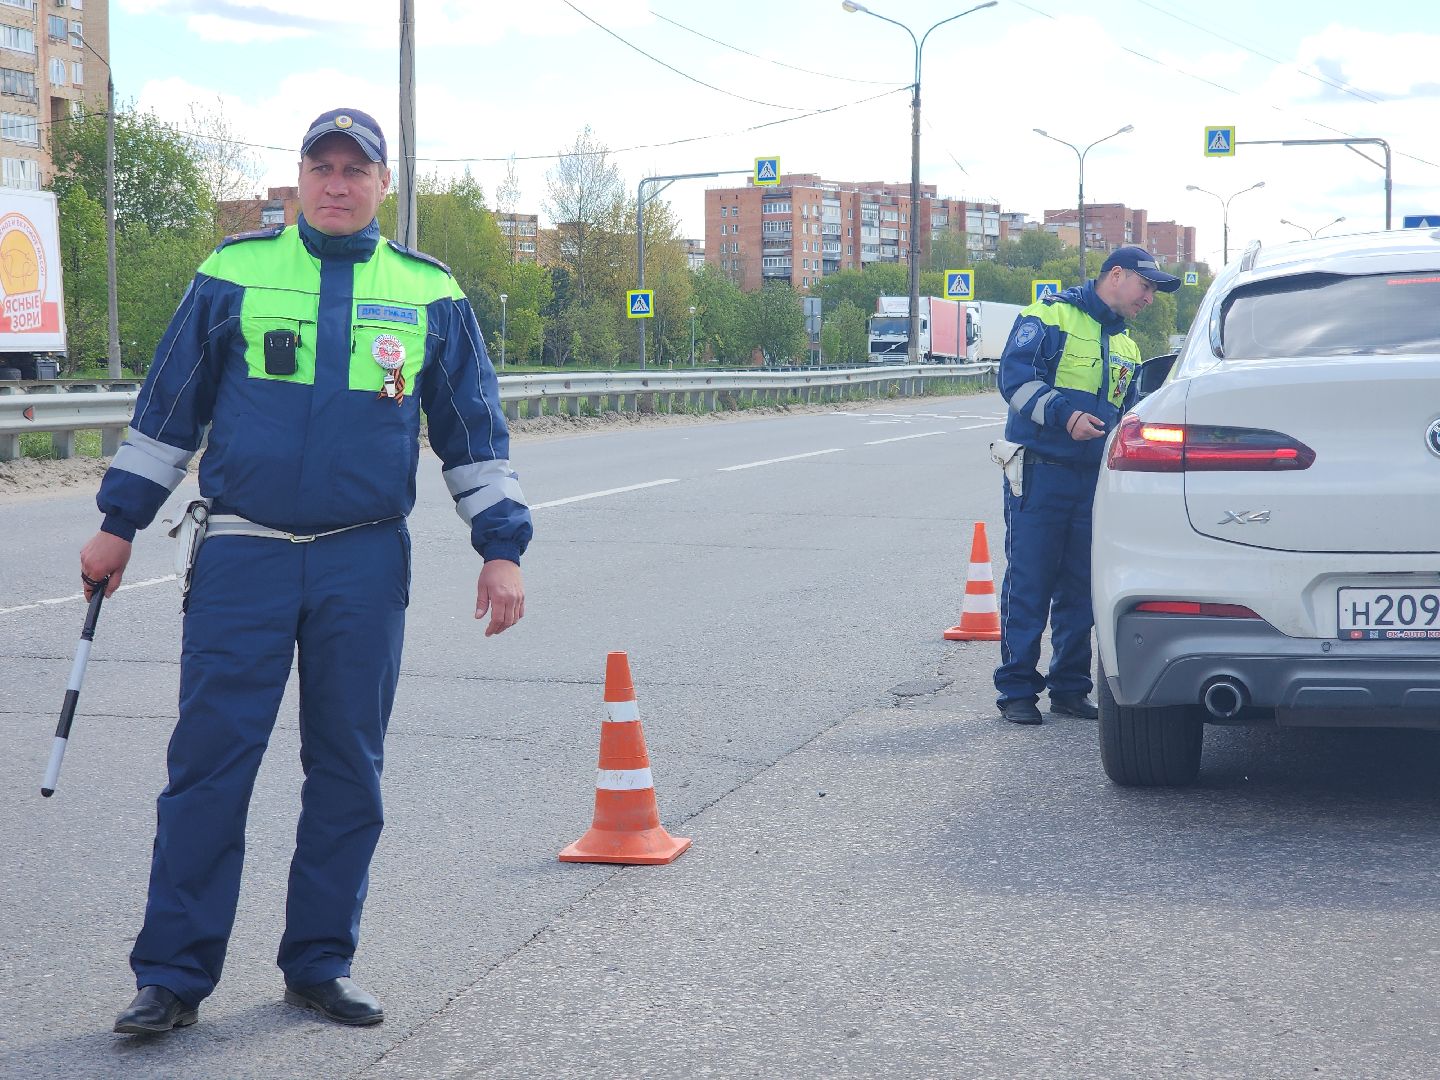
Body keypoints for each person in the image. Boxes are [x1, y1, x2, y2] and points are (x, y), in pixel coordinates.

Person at [80, 108, 533, 1035]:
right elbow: (169, 407)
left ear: (380, 185)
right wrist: (117, 525)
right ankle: (171, 977)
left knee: (346, 771)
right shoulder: (232, 273)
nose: (336, 183)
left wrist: (500, 548)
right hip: (243, 552)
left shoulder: (427, 292)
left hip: (362, 559)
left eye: (353, 169)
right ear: (296, 180)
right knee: (208, 768)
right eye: (320, 167)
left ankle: (320, 963)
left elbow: (472, 434)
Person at [993, 245, 1179, 725]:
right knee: (1029, 583)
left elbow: (1128, 413)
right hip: (1040, 470)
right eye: (1146, 286)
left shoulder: (1127, 346)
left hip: (1095, 481)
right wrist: (1064, 415)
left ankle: (1070, 689)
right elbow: (1014, 380)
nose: (1150, 298)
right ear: (1115, 275)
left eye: (1154, 291)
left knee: (1082, 589)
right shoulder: (1050, 315)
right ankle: (1016, 691)